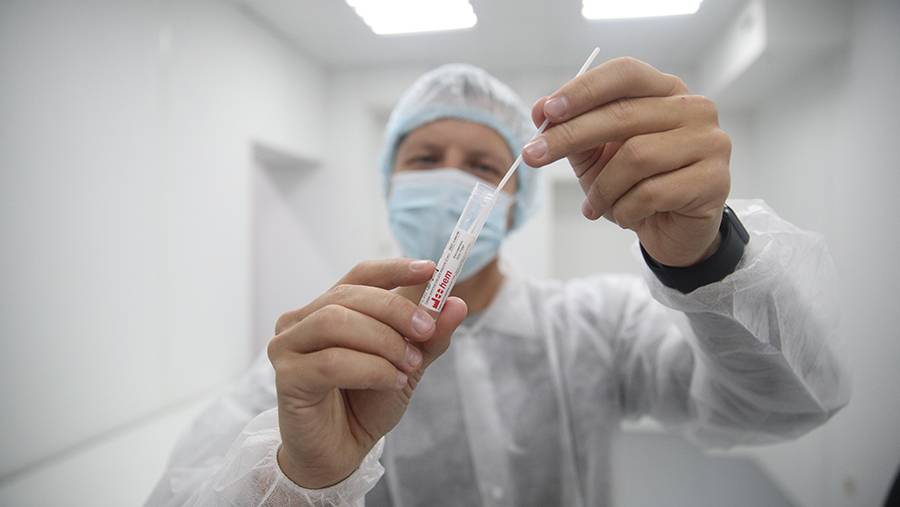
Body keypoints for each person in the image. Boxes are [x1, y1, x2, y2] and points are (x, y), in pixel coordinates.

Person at [147, 57, 850, 506]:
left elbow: (784, 406)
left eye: (485, 167)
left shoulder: (595, 323)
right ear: (390, 182)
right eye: (426, 157)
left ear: (518, 201)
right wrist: (301, 479)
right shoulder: (319, 358)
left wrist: (705, 259)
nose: (452, 179)